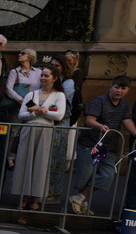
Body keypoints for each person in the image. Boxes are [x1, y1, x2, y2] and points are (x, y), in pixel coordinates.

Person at [69, 76, 136, 215]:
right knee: (85, 176)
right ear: (111, 87)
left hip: (108, 147)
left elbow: (127, 120)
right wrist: (100, 126)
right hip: (90, 144)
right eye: (116, 87)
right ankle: (83, 202)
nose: (119, 90)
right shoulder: (99, 101)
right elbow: (89, 120)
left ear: (127, 90)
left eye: (123, 88)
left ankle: (79, 198)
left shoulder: (123, 105)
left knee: (108, 175)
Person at [11, 67, 65, 211]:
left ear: (54, 78)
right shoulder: (31, 95)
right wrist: (37, 113)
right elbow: (22, 115)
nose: (42, 78)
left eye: (46, 75)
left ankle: (36, 199)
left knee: (41, 164)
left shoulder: (58, 95)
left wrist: (41, 111)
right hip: (29, 130)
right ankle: (24, 197)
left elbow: (59, 115)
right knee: (24, 162)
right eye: (41, 75)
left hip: (46, 131)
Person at [45, 54, 75, 204]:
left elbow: (57, 101)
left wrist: (43, 106)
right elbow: (38, 96)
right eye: (52, 65)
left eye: (57, 66)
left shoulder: (68, 83)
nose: (54, 68)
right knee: (43, 157)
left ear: (63, 68)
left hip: (60, 122)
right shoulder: (45, 78)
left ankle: (54, 193)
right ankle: (40, 191)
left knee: (56, 158)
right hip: (45, 120)